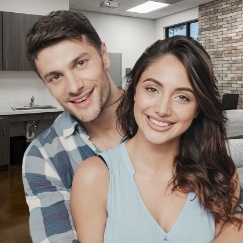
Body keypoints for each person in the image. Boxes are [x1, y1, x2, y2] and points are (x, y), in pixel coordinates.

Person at [22, 10, 243, 243]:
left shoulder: (181, 136)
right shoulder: (44, 157)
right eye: (55, 77)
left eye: (80, 63)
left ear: (104, 55)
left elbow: (232, 214)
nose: (74, 86)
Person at [71, 36, 243, 243]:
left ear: (197, 108)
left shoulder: (220, 174)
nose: (163, 109)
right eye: (152, 89)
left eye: (182, 97)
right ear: (134, 91)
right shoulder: (93, 176)